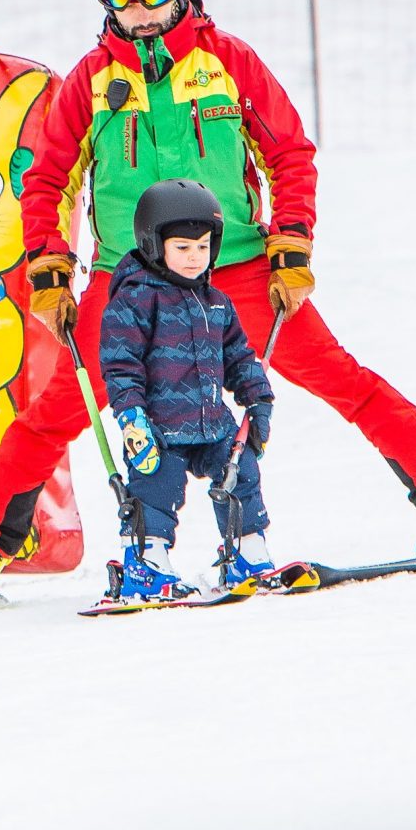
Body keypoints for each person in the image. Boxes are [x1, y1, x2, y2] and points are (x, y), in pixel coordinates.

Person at [0, 0, 416, 613]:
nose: (138, 9)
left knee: (343, 381)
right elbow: (48, 180)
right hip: (128, 283)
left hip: (237, 272)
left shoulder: (229, 63)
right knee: (57, 413)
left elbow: (289, 153)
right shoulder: (89, 83)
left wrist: (291, 245)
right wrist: (51, 271)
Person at [100, 180, 280, 600]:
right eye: (182, 248)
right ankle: (146, 561)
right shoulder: (134, 301)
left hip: (213, 423)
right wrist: (130, 416)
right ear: (153, 243)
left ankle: (248, 553)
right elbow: (121, 366)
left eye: (202, 247)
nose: (194, 257)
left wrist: (258, 398)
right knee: (156, 489)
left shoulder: (216, 301)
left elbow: (238, 356)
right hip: (157, 429)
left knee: (241, 474)